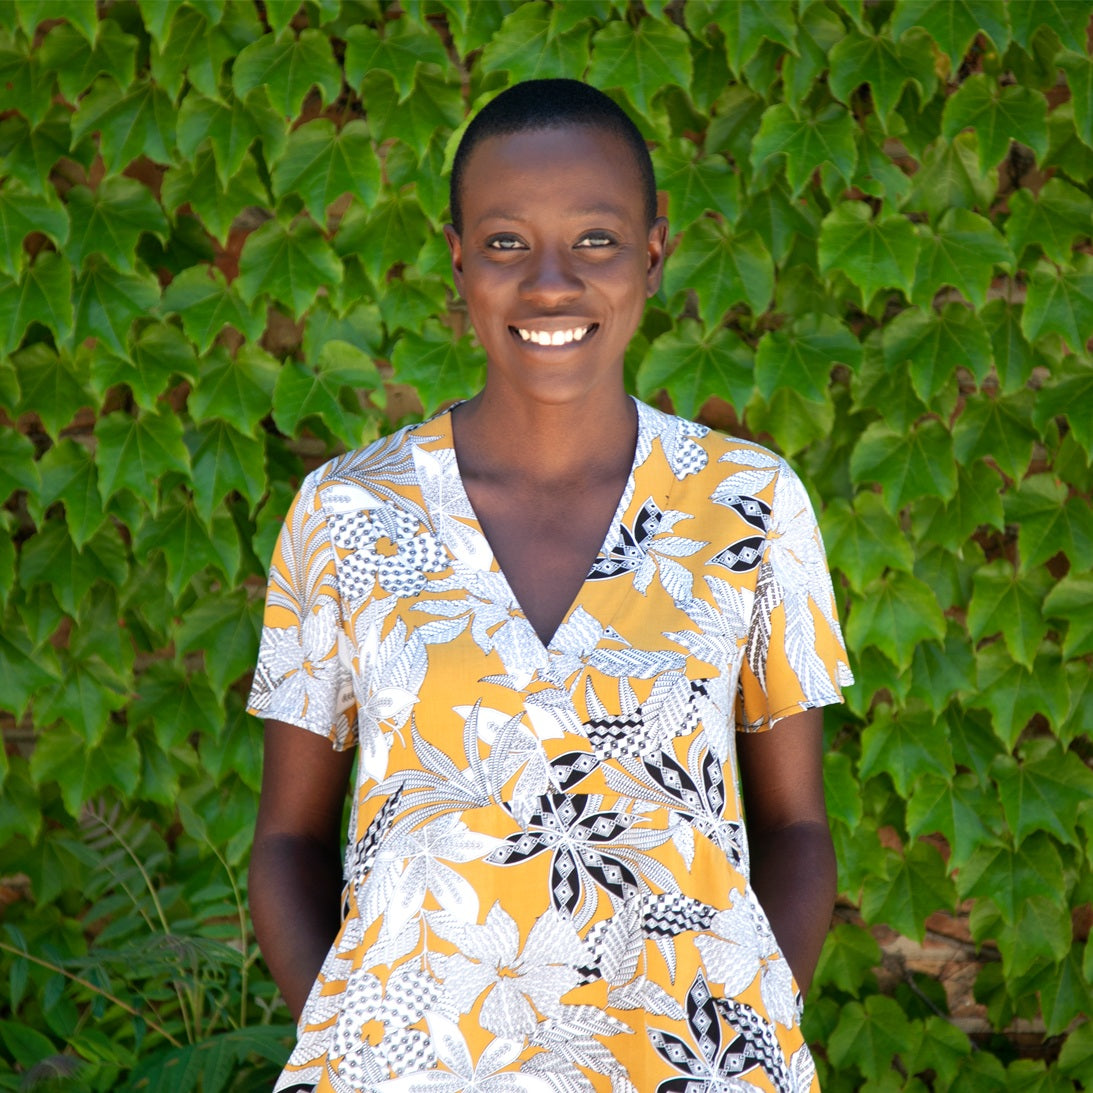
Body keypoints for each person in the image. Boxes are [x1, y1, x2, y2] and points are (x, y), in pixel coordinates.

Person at [247, 79, 853, 1093]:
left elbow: (796, 825)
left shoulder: (749, 507)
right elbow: (285, 839)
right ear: (456, 258)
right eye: (505, 243)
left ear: (655, 252)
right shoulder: (347, 515)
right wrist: (363, 1050)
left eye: (597, 240)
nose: (551, 282)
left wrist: (738, 1043)